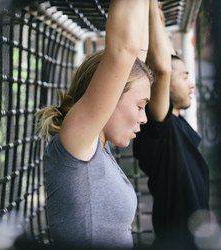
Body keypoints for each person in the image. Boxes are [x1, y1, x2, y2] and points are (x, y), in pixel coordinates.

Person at [35, 0, 152, 248]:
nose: (144, 118)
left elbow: (135, 56)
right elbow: (124, 50)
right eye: (140, 106)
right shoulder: (78, 143)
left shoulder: (97, 147)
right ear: (109, 95)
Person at [133, 1, 210, 249]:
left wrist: (159, 18)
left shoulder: (175, 123)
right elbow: (162, 68)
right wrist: (152, 9)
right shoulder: (159, 127)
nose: (191, 84)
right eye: (185, 76)